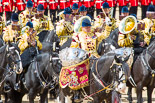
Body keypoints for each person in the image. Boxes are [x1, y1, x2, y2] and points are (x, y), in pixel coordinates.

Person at [15, 21, 42, 91]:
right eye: (29, 29)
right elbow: (20, 47)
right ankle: (17, 82)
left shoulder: (35, 36)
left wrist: (36, 43)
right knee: (21, 66)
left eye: (31, 29)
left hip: (34, 53)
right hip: (25, 53)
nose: (30, 30)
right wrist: (27, 42)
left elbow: (41, 46)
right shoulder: (23, 36)